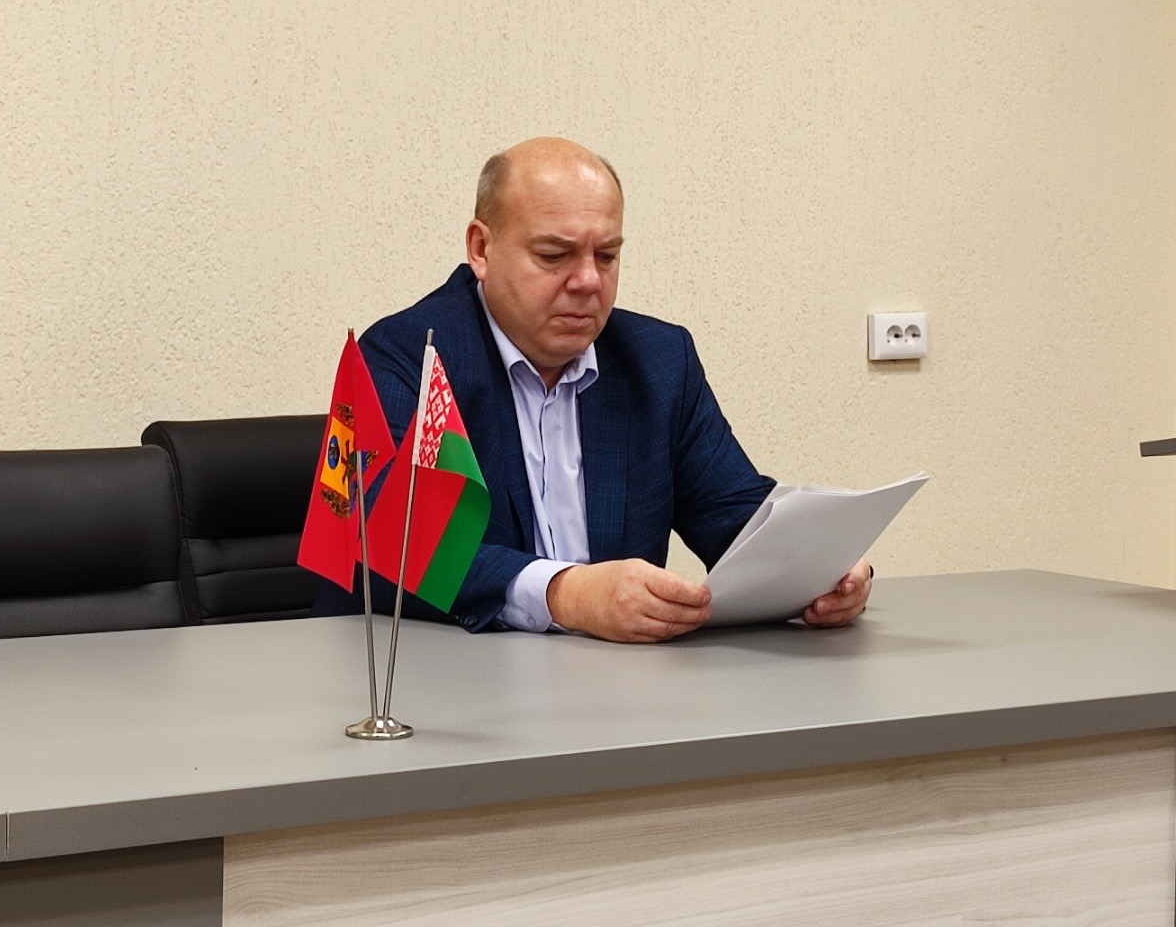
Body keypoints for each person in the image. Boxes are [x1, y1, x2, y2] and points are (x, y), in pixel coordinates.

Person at [317, 137, 873, 641]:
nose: (588, 281)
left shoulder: (659, 361)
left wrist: (821, 567)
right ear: (482, 249)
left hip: (620, 690)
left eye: (606, 256)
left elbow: (735, 516)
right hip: (454, 689)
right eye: (554, 256)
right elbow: (379, 542)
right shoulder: (406, 356)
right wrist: (566, 594)